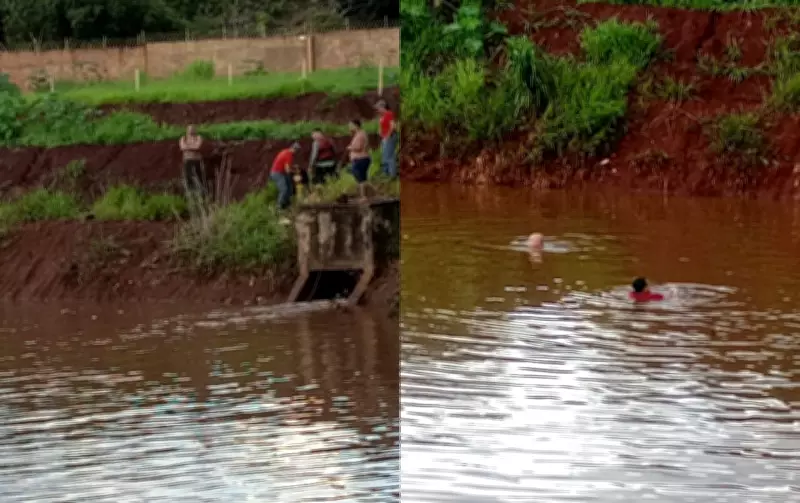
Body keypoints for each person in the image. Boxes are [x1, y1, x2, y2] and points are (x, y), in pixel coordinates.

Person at [271, 142, 301, 211]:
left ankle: (287, 205)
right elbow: (287, 170)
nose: (296, 153)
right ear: (294, 149)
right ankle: (279, 207)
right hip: (277, 173)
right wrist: (295, 172)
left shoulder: (285, 151)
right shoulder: (289, 155)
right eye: (297, 151)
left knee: (290, 188)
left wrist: (293, 167)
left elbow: (285, 165)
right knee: (284, 189)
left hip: (281, 172)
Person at [179, 125, 205, 201]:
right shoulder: (183, 138)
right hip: (187, 161)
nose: (191, 131)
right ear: (187, 130)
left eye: (192, 129)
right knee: (188, 177)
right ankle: (190, 195)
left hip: (196, 161)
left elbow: (197, 147)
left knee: (198, 177)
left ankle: (200, 195)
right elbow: (182, 147)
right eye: (189, 129)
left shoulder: (198, 138)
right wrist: (192, 147)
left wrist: (188, 147)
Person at [376, 99, 397, 179]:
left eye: (378, 108)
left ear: (383, 107)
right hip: (384, 138)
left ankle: (392, 174)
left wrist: (388, 135)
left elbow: (393, 126)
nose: (377, 110)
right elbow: (382, 127)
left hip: (390, 137)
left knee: (389, 156)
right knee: (385, 155)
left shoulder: (389, 114)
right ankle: (386, 172)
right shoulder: (382, 116)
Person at [347, 119, 371, 185]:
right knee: (363, 179)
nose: (349, 127)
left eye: (351, 125)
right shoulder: (359, 134)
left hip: (360, 159)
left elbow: (358, 147)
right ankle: (368, 193)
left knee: (360, 179)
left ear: (356, 126)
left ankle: (364, 194)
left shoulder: (360, 135)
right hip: (361, 158)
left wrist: (350, 148)